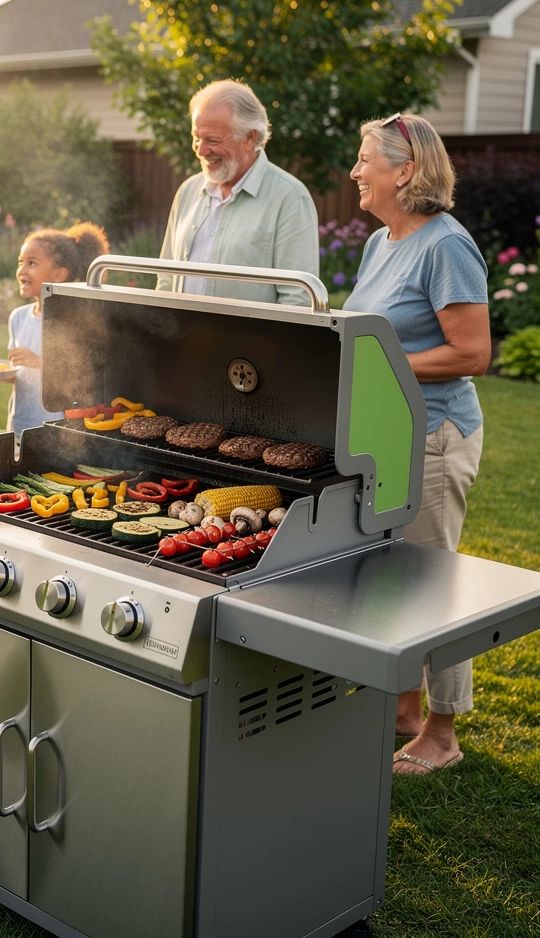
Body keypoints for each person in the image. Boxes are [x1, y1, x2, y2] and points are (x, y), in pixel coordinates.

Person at [344, 113, 491, 775]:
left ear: (406, 170)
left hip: (434, 436)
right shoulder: (383, 244)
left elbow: (472, 351)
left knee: (433, 582)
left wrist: (379, 360)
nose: (355, 171)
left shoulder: (446, 246)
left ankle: (443, 728)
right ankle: (402, 707)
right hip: (386, 434)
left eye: (365, 159)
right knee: (390, 577)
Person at [158, 79, 319, 304]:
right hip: (180, 338)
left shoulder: (289, 197)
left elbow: (298, 300)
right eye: (196, 138)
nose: (201, 150)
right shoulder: (188, 191)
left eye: (212, 140)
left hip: (249, 340)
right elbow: (166, 278)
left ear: (249, 137)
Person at [2, 222, 109, 437]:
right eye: (20, 262)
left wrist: (38, 361)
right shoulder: (18, 317)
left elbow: (83, 377)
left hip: (57, 429)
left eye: (32, 263)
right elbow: (21, 373)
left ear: (59, 275)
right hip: (20, 423)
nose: (21, 270)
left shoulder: (73, 323)